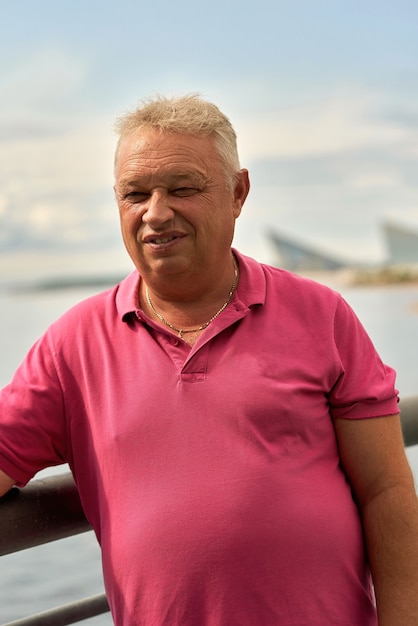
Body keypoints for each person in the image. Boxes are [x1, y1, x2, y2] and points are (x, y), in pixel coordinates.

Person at [0, 94, 418, 626]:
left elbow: (387, 492)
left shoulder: (323, 315)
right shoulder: (71, 346)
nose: (156, 212)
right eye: (135, 193)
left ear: (238, 192)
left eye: (183, 188)